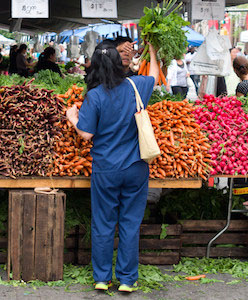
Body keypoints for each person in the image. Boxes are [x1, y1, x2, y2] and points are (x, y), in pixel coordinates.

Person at [65, 39, 159, 294]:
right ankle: (127, 280)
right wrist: (152, 50)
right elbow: (153, 74)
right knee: (129, 223)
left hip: (106, 168)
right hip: (135, 167)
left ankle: (102, 278)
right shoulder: (136, 85)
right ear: (120, 64)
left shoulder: (94, 96)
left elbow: (85, 134)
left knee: (104, 223)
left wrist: (73, 118)